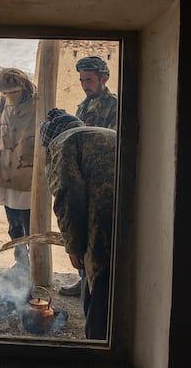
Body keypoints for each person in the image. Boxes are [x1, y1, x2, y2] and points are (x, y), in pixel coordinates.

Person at [39, 108, 116, 340]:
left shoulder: (62, 143)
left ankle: (97, 348)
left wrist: (73, 246)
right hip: (136, 219)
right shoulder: (103, 133)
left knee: (99, 290)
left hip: (102, 224)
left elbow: (68, 196)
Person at [59, 55, 119, 296]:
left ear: (104, 78)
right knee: (79, 230)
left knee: (96, 237)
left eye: (90, 80)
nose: (85, 85)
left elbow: (112, 141)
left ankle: (94, 286)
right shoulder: (84, 104)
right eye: (82, 80)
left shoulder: (113, 105)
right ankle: (83, 279)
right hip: (83, 176)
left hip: (101, 180)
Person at [0, 68, 37, 271]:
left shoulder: (38, 105)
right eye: (5, 92)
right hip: (4, 169)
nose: (9, 96)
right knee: (13, 223)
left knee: (29, 223)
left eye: (12, 92)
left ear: (23, 87)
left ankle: (34, 264)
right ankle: (21, 262)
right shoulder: (0, 103)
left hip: (26, 174)